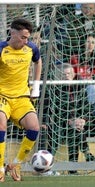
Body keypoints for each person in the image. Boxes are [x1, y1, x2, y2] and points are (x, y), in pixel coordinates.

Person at [0, 18, 42, 182]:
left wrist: (36, 86)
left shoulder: (31, 48)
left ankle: (15, 164)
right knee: (1, 125)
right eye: (23, 37)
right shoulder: (2, 49)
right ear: (12, 33)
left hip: (21, 97)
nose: (26, 41)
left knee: (34, 128)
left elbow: (38, 62)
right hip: (2, 96)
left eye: (27, 38)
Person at [42, 63, 95, 175]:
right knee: (64, 131)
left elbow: (86, 107)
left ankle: (73, 168)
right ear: (59, 75)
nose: (67, 76)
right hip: (58, 123)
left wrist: (83, 119)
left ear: (73, 74)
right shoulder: (54, 89)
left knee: (76, 130)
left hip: (75, 124)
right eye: (64, 74)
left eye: (69, 73)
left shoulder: (79, 88)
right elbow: (53, 110)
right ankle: (87, 155)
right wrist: (69, 120)